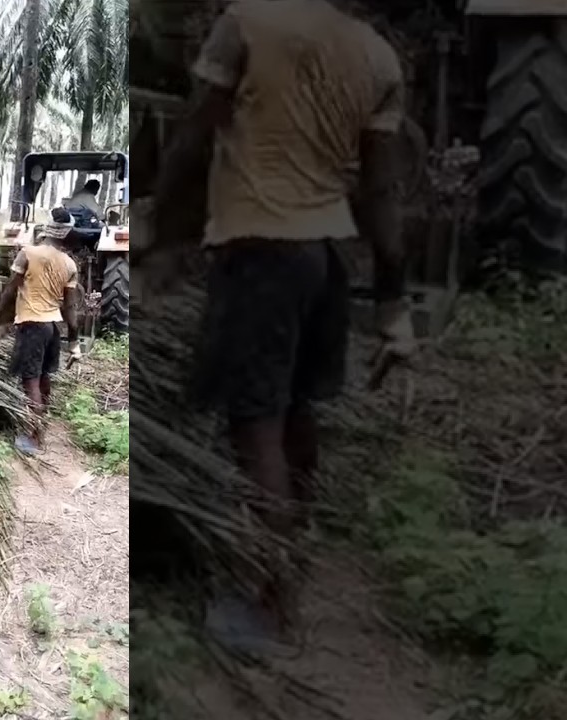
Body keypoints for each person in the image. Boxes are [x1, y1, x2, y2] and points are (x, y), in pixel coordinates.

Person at [140, 0, 416, 641]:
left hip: (261, 252)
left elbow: (194, 138)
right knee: (296, 413)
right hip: (327, 258)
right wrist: (394, 302)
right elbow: (380, 191)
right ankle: (293, 557)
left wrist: (156, 230)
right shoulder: (376, 54)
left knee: (255, 423)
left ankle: (272, 604)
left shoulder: (248, 23)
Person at [0, 209, 83, 455]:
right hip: (53, 328)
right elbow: (70, 308)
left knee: (30, 381)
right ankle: (41, 426)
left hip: (32, 325)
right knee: (44, 378)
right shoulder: (69, 264)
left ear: (48, 228)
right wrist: (74, 342)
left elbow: (10, 291)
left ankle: (34, 439)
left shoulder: (27, 253)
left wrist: (0, 321)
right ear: (66, 233)